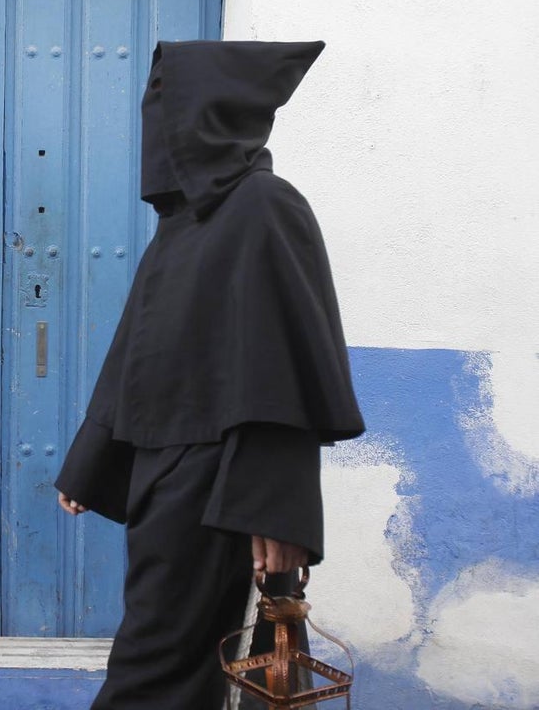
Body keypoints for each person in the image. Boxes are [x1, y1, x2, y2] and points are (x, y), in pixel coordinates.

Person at [54, 40, 365, 709]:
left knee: (156, 669)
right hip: (160, 477)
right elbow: (137, 346)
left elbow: (286, 368)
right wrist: (94, 454)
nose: (157, 123)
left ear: (215, 111)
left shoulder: (266, 207)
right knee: (171, 661)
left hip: (219, 483)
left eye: (172, 104)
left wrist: (276, 508)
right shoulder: (183, 224)